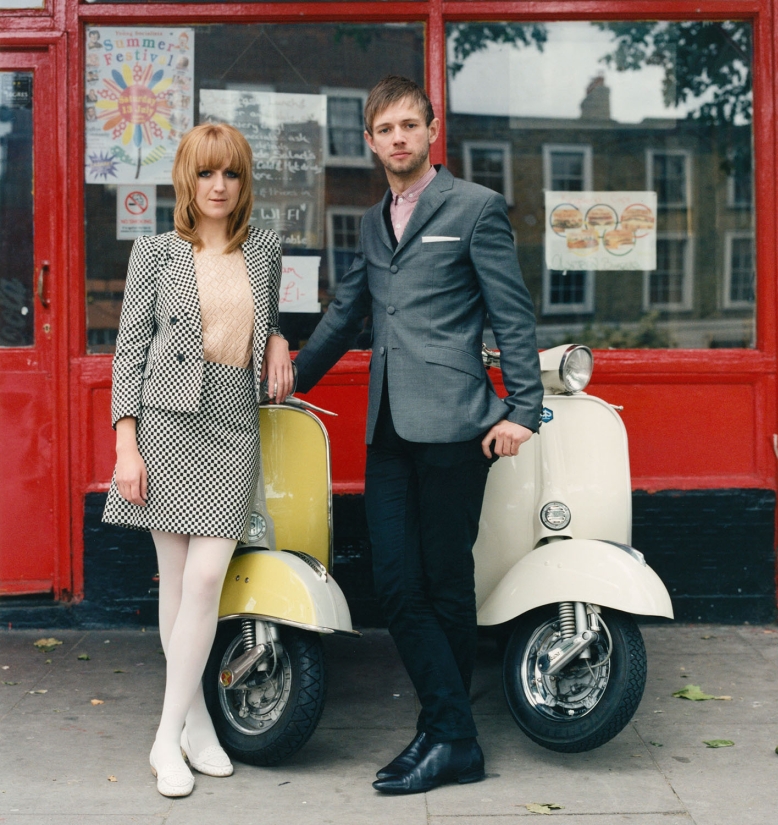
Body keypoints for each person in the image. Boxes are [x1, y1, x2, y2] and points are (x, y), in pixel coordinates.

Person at [293, 76, 543, 795]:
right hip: (388, 428)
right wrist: (287, 379)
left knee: (444, 583)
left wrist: (521, 409)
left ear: (432, 130)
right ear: (369, 141)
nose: (397, 138)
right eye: (384, 129)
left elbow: (511, 313)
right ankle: (453, 732)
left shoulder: (474, 208)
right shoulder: (372, 222)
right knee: (396, 583)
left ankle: (445, 735)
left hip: (458, 424)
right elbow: (345, 313)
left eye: (409, 124)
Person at [102, 123, 292, 798]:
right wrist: (127, 444)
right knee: (179, 581)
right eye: (207, 173)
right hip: (166, 420)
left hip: (232, 422)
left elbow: (261, 318)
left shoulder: (264, 247)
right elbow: (127, 351)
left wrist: (278, 339)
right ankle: (189, 728)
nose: (218, 186)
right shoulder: (155, 252)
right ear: (187, 179)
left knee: (208, 576)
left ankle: (170, 727)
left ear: (243, 183)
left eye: (231, 174)